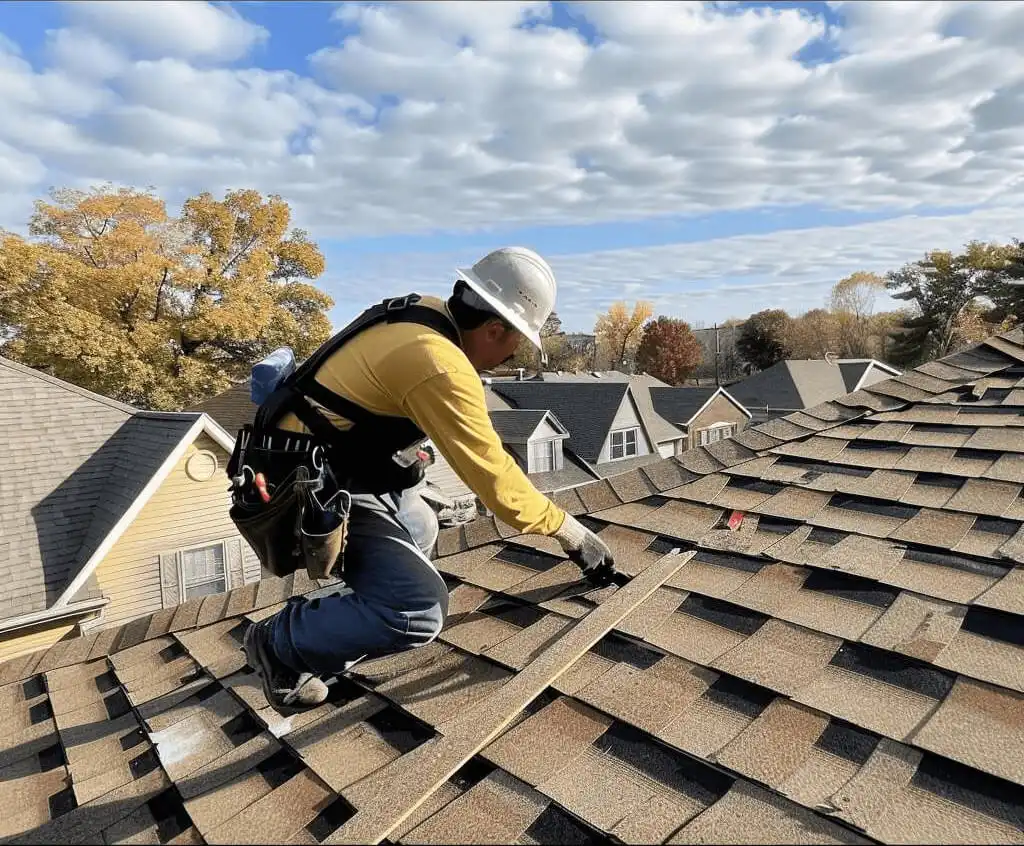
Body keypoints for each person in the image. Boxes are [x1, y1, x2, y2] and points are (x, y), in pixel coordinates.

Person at [237, 246, 619, 714]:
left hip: (324, 464)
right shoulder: (439, 363)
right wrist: (572, 533)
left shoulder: (423, 311)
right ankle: (279, 644)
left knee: (420, 524)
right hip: (308, 488)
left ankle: (342, 621)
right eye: (515, 341)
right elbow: (497, 482)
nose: (513, 354)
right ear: (494, 329)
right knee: (419, 611)